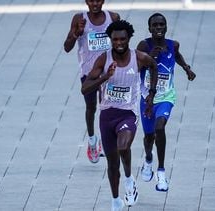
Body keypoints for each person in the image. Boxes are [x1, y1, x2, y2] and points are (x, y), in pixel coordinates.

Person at [81, 20, 158, 211]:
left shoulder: (139, 58)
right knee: (112, 164)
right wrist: (105, 77)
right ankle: (116, 200)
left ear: (129, 38)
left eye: (123, 39)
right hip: (107, 116)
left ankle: (130, 180)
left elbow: (154, 66)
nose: (119, 43)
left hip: (128, 114)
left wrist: (151, 94)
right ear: (110, 40)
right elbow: (84, 89)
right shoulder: (103, 60)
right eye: (115, 40)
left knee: (123, 146)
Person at [137, 13, 196, 192]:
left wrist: (187, 68)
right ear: (149, 29)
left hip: (166, 97)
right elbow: (135, 67)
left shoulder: (172, 45)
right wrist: (150, 57)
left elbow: (176, 56)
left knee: (160, 127)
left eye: (162, 25)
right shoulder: (144, 45)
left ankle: (161, 172)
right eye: (155, 25)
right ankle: (148, 159)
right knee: (149, 137)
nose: (159, 28)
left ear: (166, 26)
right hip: (146, 99)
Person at [63, 0, 120, 163]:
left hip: (108, 73)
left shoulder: (113, 18)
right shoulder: (79, 19)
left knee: (107, 107)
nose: (95, 3)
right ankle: (92, 140)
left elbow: (121, 43)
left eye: (98, 0)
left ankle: (105, 140)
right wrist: (76, 33)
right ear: (86, 1)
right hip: (88, 74)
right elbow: (67, 47)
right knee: (91, 107)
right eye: (91, 0)